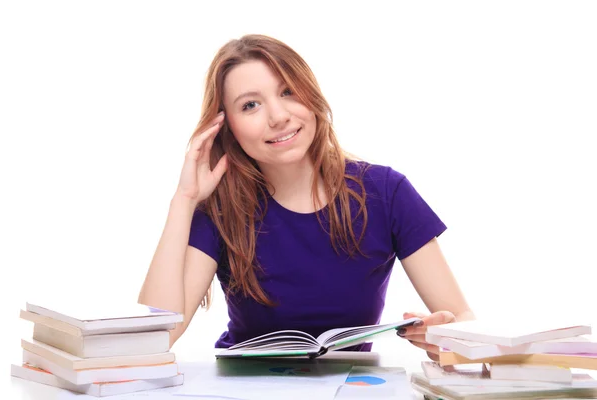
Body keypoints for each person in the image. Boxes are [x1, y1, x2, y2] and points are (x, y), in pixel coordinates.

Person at [138, 34, 474, 361]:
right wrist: (184, 199)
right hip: (246, 390)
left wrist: (446, 337)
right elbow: (154, 338)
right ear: (227, 127)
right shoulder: (223, 211)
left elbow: (463, 321)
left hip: (347, 387)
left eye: (288, 91)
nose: (278, 116)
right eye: (250, 105)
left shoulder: (385, 192)